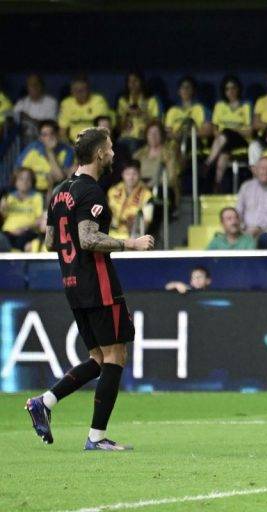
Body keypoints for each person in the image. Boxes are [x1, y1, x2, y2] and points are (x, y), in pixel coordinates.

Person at [25, 126, 154, 451]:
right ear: (99, 154)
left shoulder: (58, 191)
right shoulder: (92, 191)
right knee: (116, 355)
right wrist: (130, 243)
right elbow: (87, 238)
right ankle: (96, 437)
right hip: (98, 283)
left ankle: (46, 401)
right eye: (109, 148)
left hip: (72, 283)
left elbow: (51, 240)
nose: (112, 152)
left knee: (98, 357)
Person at [207, 75, 252, 192]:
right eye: (227, 89)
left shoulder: (245, 106)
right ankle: (217, 184)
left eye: (233, 88)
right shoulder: (220, 105)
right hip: (223, 142)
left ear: (239, 89)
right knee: (224, 153)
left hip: (241, 140)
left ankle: (208, 163)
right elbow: (214, 129)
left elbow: (248, 131)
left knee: (226, 132)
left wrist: (233, 131)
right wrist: (223, 136)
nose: (230, 91)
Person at [15, 119, 75, 193]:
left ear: (57, 135)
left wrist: (50, 152)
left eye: (52, 133)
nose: (49, 137)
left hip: (54, 191)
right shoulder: (33, 148)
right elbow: (18, 170)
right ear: (40, 138)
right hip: (32, 190)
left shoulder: (67, 151)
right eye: (45, 135)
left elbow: (60, 178)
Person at [106, 160, 153, 240]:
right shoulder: (113, 191)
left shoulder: (147, 195)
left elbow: (146, 221)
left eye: (134, 174)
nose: (131, 177)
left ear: (139, 174)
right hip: (111, 234)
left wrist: (135, 226)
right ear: (122, 174)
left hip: (134, 236)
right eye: (127, 174)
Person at [1, 168, 45, 251]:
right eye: (21, 178)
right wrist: (2, 209)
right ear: (15, 181)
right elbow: (3, 217)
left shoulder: (37, 197)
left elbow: (40, 220)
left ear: (32, 182)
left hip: (27, 233)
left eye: (28, 179)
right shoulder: (8, 197)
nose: (24, 182)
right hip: (7, 234)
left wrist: (24, 228)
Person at [58, 75, 112, 143]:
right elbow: (62, 131)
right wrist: (67, 147)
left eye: (82, 90)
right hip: (74, 144)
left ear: (88, 89)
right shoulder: (66, 103)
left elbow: (105, 129)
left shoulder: (98, 101)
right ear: (71, 91)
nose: (79, 93)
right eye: (75, 90)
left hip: (94, 144)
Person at [116, 71, 161, 152]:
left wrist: (142, 114)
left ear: (142, 82)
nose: (132, 84)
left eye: (135, 81)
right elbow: (118, 127)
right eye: (130, 81)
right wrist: (126, 115)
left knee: (133, 145)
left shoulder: (151, 99)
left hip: (143, 137)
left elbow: (157, 123)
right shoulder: (123, 100)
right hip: (125, 137)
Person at [132, 121, 181, 192]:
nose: (153, 136)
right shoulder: (138, 155)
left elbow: (172, 178)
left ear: (162, 135)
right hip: (140, 191)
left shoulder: (169, 154)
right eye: (150, 133)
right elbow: (132, 174)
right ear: (146, 135)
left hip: (163, 190)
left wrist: (151, 185)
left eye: (156, 133)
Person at [164, 76, 212, 143]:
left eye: (188, 87)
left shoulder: (201, 108)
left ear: (193, 90)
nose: (185, 90)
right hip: (175, 148)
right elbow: (167, 133)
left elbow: (207, 131)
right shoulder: (172, 111)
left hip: (196, 147)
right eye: (182, 87)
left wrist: (185, 135)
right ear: (179, 91)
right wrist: (177, 136)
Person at [13, 74, 59, 143]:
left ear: (42, 86)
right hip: (23, 141)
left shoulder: (51, 102)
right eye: (30, 85)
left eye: (36, 84)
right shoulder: (21, 103)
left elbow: (50, 126)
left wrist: (28, 118)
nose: (33, 87)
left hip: (44, 141)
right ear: (27, 87)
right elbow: (13, 122)